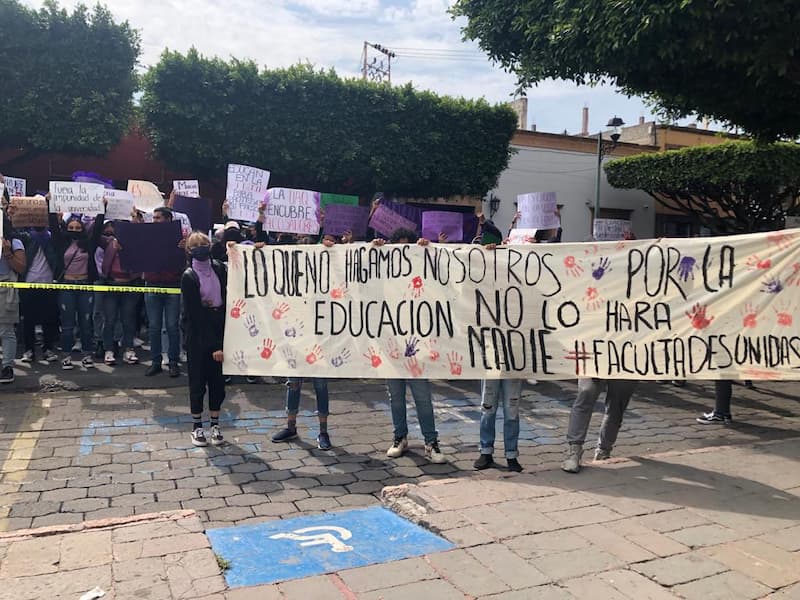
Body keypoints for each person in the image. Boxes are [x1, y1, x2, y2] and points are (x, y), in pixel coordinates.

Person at [374, 228, 446, 464]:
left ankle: (430, 442)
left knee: (422, 397)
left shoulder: (420, 275)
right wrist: (372, 249)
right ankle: (400, 437)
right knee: (395, 397)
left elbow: (438, 276)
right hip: (391, 345)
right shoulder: (384, 276)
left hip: (417, 346)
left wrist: (428, 248)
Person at [181, 231, 227, 447]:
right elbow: (195, 315)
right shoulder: (189, 276)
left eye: (204, 244)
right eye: (196, 245)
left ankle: (215, 424)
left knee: (217, 382)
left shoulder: (219, 267)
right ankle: (197, 426)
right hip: (198, 335)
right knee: (198, 382)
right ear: (189, 250)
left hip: (219, 327)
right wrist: (213, 346)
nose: (201, 247)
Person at [49, 209, 104, 369]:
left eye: (77, 228)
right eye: (71, 228)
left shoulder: (89, 243)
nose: (74, 231)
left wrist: (102, 209)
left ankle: (87, 354)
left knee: (86, 323)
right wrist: (50, 207)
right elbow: (53, 227)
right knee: (67, 324)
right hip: (66, 286)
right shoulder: (61, 242)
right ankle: (66, 355)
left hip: (85, 285)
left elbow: (98, 228)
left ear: (83, 229)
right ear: (66, 228)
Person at [561, 379, 638, 473]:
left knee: (617, 405)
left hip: (624, 367)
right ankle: (574, 450)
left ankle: (603, 451)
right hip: (595, 365)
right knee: (586, 393)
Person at [143, 207, 184, 377]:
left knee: (172, 326)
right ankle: (155, 362)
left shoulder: (179, 237)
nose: (155, 220)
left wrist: (185, 248)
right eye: (153, 218)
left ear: (168, 220)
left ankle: (173, 362)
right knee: (154, 327)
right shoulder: (147, 237)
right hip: (152, 284)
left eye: (158, 218)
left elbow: (186, 260)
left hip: (172, 285)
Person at [98, 222, 140, 365]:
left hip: (129, 286)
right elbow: (94, 233)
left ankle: (128, 349)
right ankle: (108, 350)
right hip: (111, 286)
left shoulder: (136, 244)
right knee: (109, 320)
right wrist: (100, 212)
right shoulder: (108, 242)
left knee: (128, 320)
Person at [18, 221, 60, 363]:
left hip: (48, 284)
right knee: (28, 320)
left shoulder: (52, 238)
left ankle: (48, 349)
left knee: (48, 319)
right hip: (29, 283)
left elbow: (56, 229)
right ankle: (29, 350)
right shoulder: (26, 237)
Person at [0, 205, 26, 383]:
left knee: (6, 330)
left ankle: (7, 366)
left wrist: (7, 253)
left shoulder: (15, 241)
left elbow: (21, 267)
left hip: (5, 288)